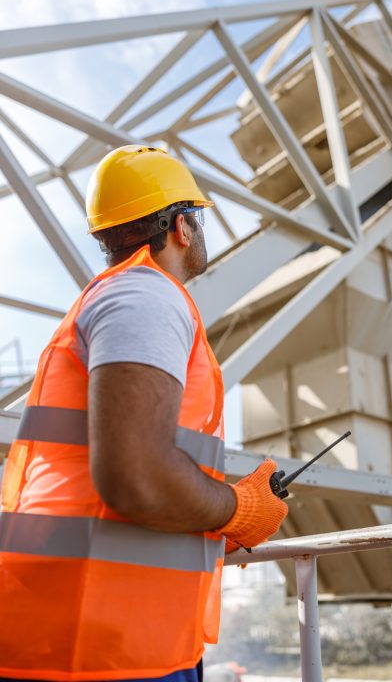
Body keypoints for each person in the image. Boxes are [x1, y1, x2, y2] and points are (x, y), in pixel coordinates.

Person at [0, 145, 288, 681]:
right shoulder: (146, 297)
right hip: (107, 652)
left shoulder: (120, 298)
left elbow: (105, 497)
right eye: (197, 218)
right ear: (182, 226)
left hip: (85, 639)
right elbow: (136, 475)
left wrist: (204, 525)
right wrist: (237, 508)